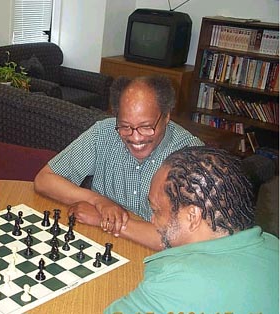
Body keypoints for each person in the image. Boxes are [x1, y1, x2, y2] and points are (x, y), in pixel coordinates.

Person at [34, 75, 203, 249]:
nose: (135, 137)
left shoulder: (191, 155)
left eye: (146, 127)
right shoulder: (103, 133)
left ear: (166, 116)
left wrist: (103, 220)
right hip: (101, 244)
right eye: (124, 126)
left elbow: (182, 237)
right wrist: (98, 201)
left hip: (156, 259)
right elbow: (44, 180)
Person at [104, 145, 279, 313]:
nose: (152, 219)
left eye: (157, 211)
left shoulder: (178, 283)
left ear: (192, 216)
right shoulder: (272, 244)